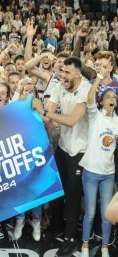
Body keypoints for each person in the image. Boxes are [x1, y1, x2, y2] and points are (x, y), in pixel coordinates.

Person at [32, 57, 91, 256]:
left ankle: (71, 237)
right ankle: (57, 226)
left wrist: (47, 113)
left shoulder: (86, 89)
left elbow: (72, 120)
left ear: (77, 73)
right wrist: (45, 112)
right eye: (62, 71)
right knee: (56, 189)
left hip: (80, 151)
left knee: (73, 196)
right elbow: (48, 111)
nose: (63, 75)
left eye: (67, 72)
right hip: (64, 147)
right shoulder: (59, 85)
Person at [78, 67, 118, 257]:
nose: (112, 99)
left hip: (108, 174)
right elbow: (90, 96)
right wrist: (100, 77)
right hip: (91, 172)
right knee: (90, 212)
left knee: (106, 215)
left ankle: (104, 247)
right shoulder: (95, 116)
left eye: (114, 97)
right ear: (102, 101)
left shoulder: (117, 121)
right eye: (108, 96)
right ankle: (85, 244)